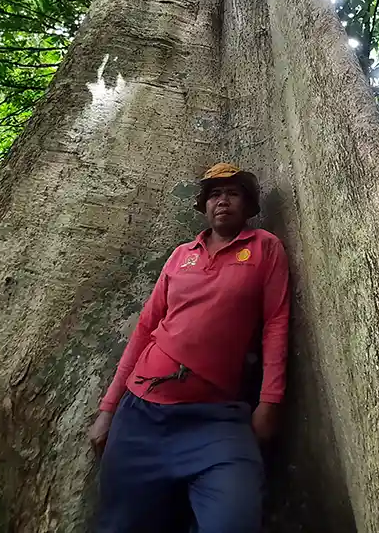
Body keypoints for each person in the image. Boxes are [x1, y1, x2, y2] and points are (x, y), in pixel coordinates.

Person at [89, 163, 290, 533]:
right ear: (204, 205)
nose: (222, 201)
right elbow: (146, 327)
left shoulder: (264, 247)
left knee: (234, 521)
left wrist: (270, 401)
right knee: (120, 525)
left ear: (247, 205)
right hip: (141, 418)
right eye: (214, 194)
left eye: (232, 193)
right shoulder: (182, 255)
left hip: (216, 421)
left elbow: (276, 323)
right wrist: (108, 408)